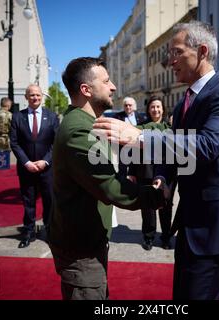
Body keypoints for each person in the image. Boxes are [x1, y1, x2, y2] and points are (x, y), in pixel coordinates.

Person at [93, 21, 219, 300]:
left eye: (176, 52)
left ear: (202, 51)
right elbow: (178, 151)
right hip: (191, 220)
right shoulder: (186, 101)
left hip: (216, 225)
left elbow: (206, 146)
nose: (169, 61)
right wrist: (164, 177)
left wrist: (140, 137)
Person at [48, 57, 168, 300]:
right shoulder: (78, 130)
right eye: (106, 81)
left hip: (88, 241)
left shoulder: (89, 121)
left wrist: (165, 130)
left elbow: (132, 133)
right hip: (80, 250)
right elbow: (113, 189)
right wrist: (157, 195)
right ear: (86, 90)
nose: (113, 86)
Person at [10, 84, 59, 248]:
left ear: (42, 96)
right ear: (26, 97)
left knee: (49, 201)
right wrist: (27, 163)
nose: (35, 98)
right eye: (31, 95)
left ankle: (50, 231)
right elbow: (14, 143)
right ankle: (29, 232)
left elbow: (56, 142)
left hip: (47, 168)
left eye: (38, 95)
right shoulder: (17, 117)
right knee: (28, 202)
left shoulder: (51, 116)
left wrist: (45, 161)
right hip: (26, 169)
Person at [128, 96, 174, 250]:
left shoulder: (170, 128)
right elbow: (134, 150)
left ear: (163, 109)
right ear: (148, 110)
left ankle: (166, 236)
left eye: (158, 107)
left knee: (166, 205)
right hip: (145, 172)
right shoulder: (141, 127)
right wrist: (132, 171)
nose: (155, 109)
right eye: (153, 107)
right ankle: (148, 237)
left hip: (167, 173)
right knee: (147, 206)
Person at [113, 97, 146, 177]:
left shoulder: (141, 118)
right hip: (123, 148)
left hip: (137, 147)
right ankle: (123, 185)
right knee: (122, 170)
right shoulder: (118, 117)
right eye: (126, 105)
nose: (128, 107)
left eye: (130, 105)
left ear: (134, 106)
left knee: (136, 169)